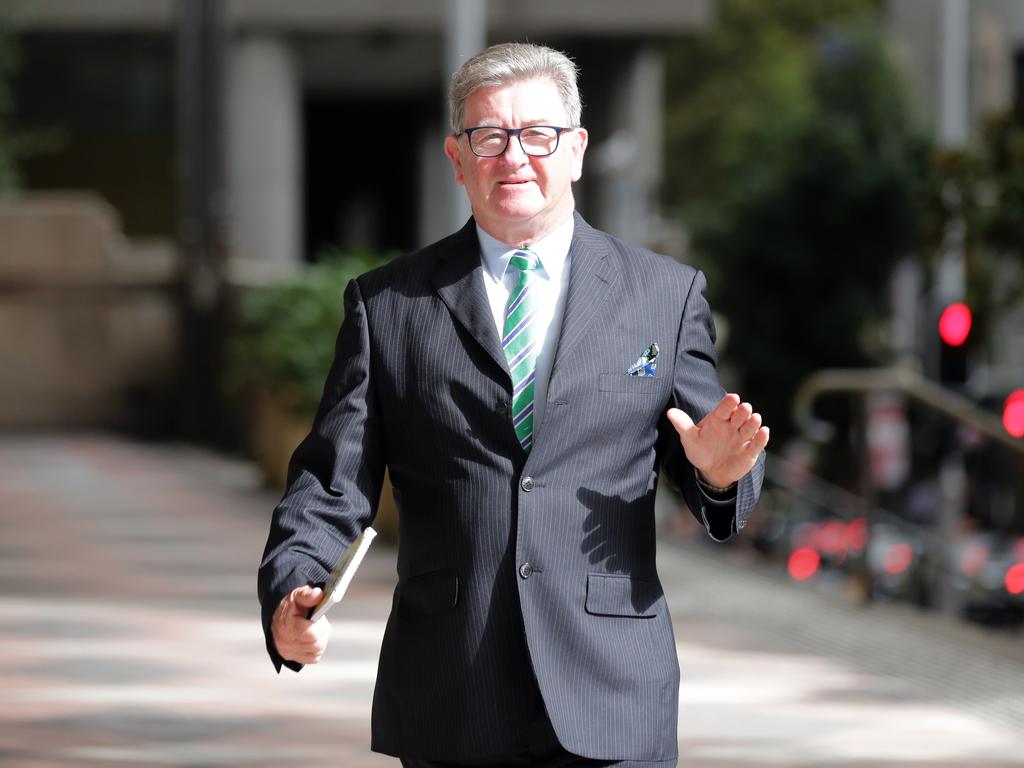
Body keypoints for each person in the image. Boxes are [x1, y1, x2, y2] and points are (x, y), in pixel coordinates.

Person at [258, 41, 768, 768]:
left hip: (613, 689)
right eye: (489, 136)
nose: (514, 156)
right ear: (457, 157)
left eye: (537, 135)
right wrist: (292, 589)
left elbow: (709, 464)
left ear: (577, 150)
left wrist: (718, 475)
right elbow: (331, 481)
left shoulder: (665, 294)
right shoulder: (388, 306)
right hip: (452, 687)